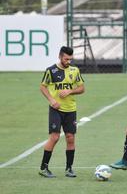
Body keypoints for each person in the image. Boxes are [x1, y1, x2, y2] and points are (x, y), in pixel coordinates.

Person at [39, 46, 85, 178]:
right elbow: (43, 87)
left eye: (70, 59)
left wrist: (70, 91)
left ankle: (69, 168)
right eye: (66, 59)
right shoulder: (51, 71)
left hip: (71, 109)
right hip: (56, 109)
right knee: (54, 137)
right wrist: (51, 100)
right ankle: (43, 168)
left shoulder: (75, 70)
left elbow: (82, 88)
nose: (68, 61)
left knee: (70, 138)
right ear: (60, 56)